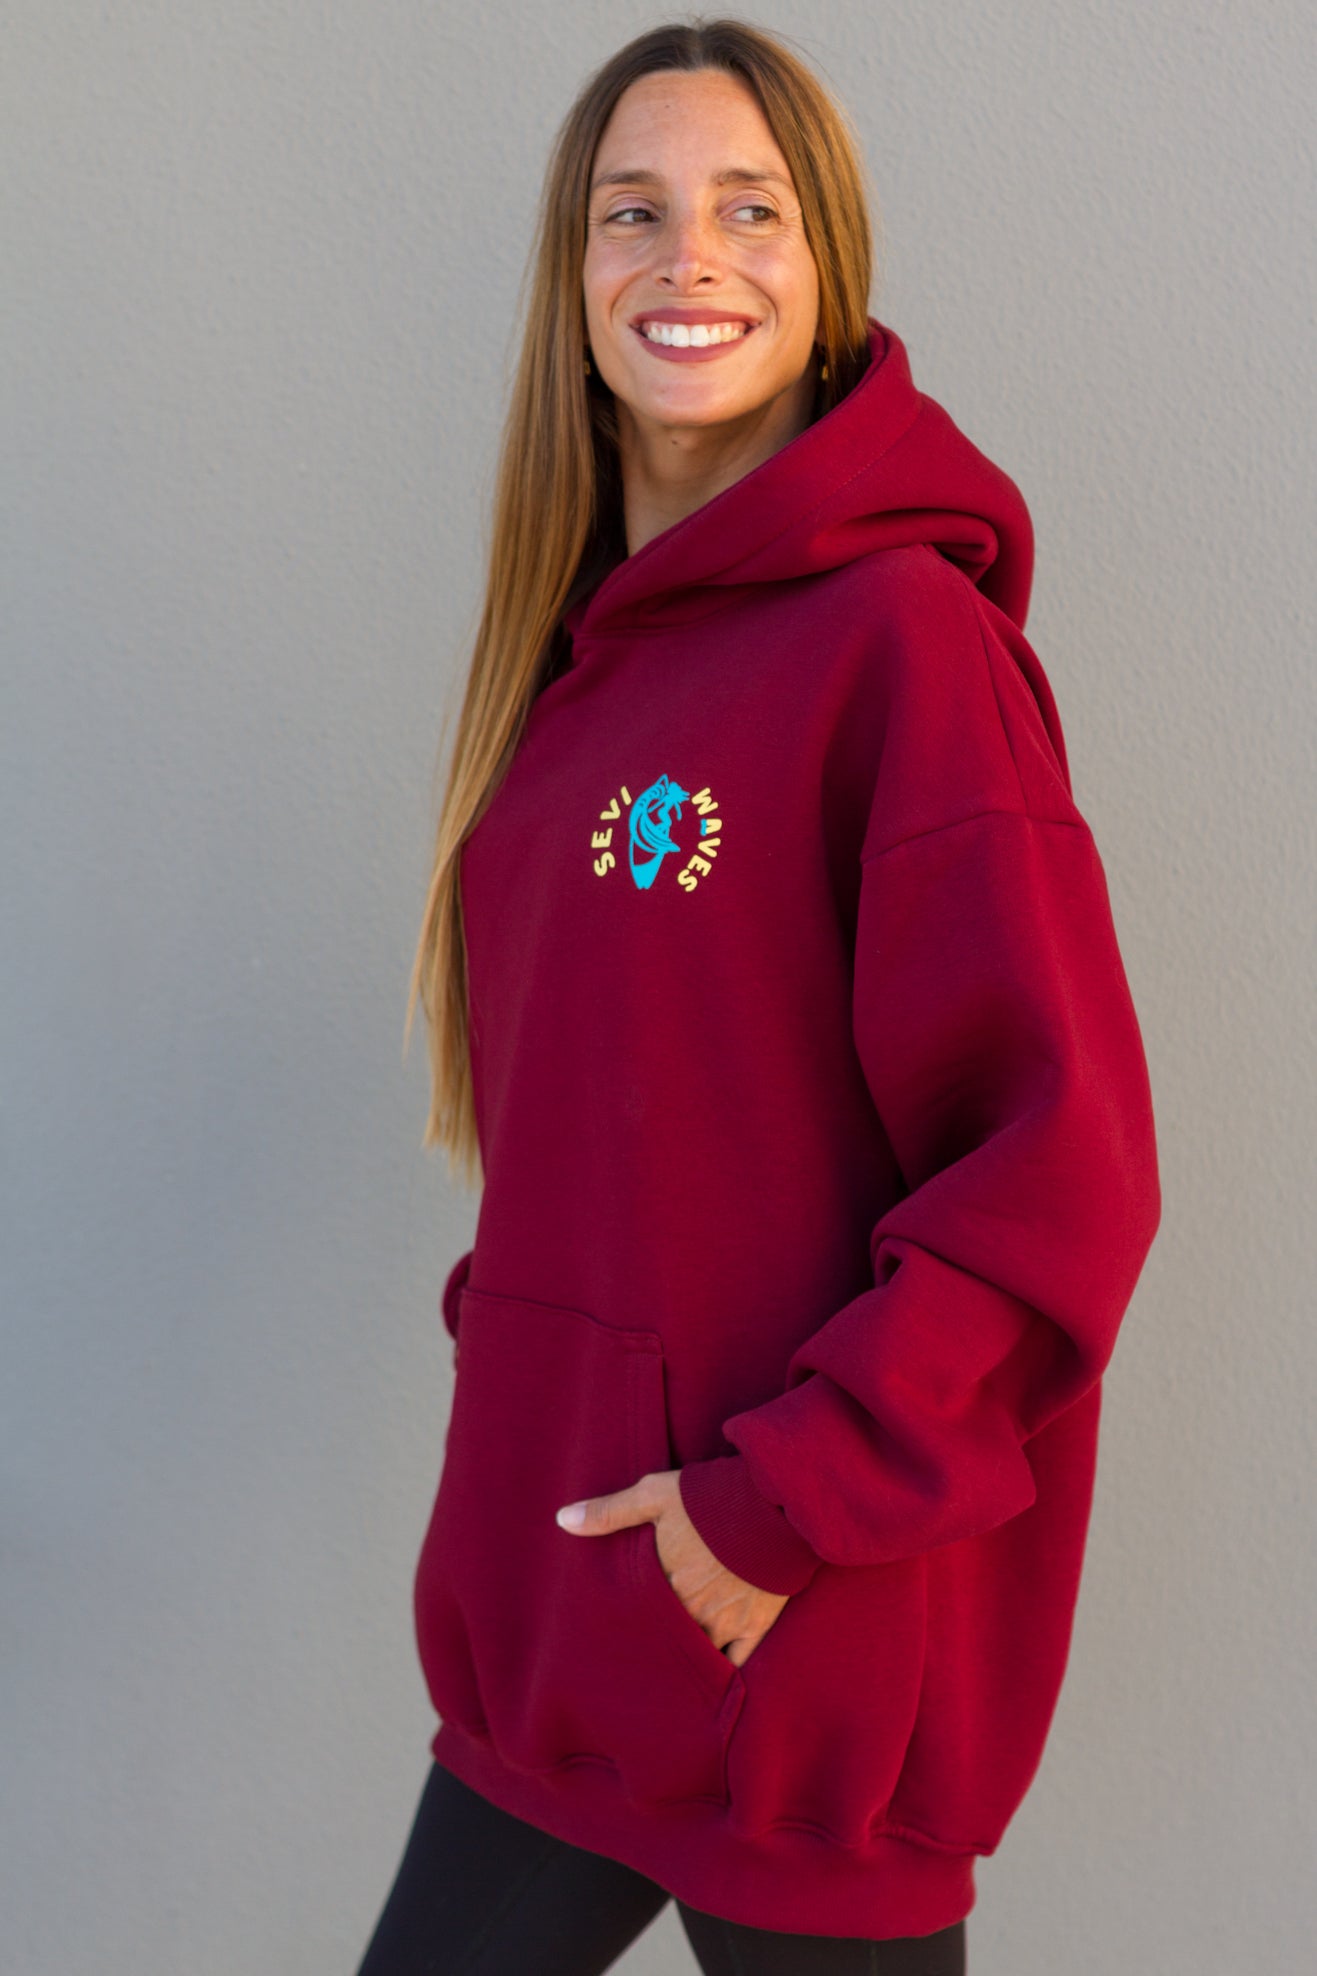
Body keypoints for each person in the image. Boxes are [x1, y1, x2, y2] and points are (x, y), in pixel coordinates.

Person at [357, 17, 1161, 1975]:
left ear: (824, 277)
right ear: (573, 279)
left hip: (789, 1638)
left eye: (749, 209)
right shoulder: (570, 688)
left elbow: (1057, 1171)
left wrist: (777, 1508)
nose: (686, 255)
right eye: (630, 211)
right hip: (563, 1629)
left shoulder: (902, 646)